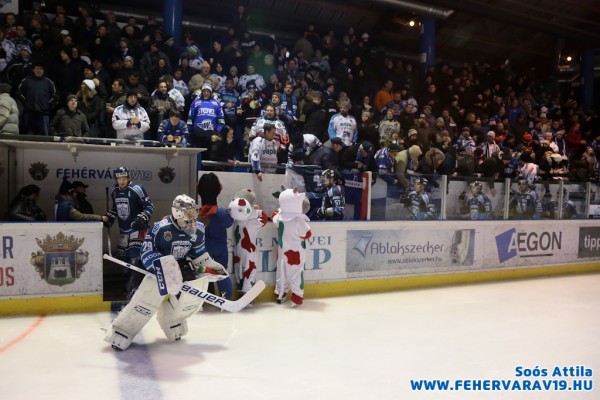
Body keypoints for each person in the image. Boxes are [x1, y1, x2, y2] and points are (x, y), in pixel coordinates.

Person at [104, 194, 228, 350]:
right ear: (177, 212)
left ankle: (173, 323)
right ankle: (122, 331)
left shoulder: (199, 229)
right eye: (188, 212)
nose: (192, 216)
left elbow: (198, 252)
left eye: (193, 212)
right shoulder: (162, 227)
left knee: (187, 294)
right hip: (150, 266)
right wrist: (164, 267)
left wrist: (209, 267)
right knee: (142, 298)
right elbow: (147, 252)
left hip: (177, 265)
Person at [104, 167, 154, 269]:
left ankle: (137, 285)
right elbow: (115, 208)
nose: (122, 181)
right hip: (123, 232)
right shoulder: (114, 191)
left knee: (136, 262)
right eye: (119, 179)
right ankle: (128, 284)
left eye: (124, 178)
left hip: (138, 231)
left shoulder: (137, 189)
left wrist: (143, 217)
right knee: (123, 264)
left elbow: (149, 206)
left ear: (128, 178)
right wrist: (110, 217)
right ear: (116, 179)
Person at [271, 189, 312, 307]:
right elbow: (307, 234)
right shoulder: (299, 221)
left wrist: (280, 209)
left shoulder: (279, 217)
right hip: (295, 252)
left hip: (282, 251)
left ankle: (280, 293)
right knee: (296, 273)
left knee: (281, 271)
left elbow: (273, 215)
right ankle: (297, 296)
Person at [197, 173, 234, 299]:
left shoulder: (197, 215)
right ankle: (225, 298)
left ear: (198, 190)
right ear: (219, 190)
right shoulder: (223, 213)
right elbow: (230, 223)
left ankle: (204, 298)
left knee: (200, 274)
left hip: (202, 251)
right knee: (222, 274)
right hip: (220, 250)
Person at [228, 189, 268, 298]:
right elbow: (264, 218)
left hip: (238, 251)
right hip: (250, 251)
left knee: (239, 270)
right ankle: (247, 295)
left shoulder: (236, 219)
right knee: (250, 271)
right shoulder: (253, 221)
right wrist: (257, 210)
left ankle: (240, 291)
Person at [17, 62, 59, 135]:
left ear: (43, 70)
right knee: (28, 137)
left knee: (43, 138)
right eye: (37, 69)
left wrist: (48, 106)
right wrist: (26, 103)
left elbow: (56, 96)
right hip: (29, 114)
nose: (39, 70)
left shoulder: (49, 82)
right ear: (33, 70)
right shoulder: (26, 81)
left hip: (44, 114)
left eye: (41, 69)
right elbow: (18, 93)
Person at [187, 83, 224, 156]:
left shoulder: (216, 103)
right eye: (204, 91)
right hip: (198, 133)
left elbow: (221, 119)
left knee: (209, 155)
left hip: (211, 134)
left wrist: (218, 131)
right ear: (202, 92)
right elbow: (190, 118)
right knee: (198, 155)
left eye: (208, 91)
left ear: (211, 92)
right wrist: (190, 131)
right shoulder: (196, 102)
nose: (206, 93)